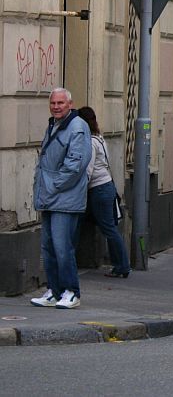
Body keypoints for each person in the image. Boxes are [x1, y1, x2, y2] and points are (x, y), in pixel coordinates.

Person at [31, 88, 92, 309]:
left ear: (70, 104)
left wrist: (53, 186)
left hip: (64, 198)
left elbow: (75, 165)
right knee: (48, 247)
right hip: (51, 196)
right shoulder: (55, 124)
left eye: (60, 103)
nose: (56, 106)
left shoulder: (77, 126)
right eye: (53, 103)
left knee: (62, 246)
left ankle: (71, 292)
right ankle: (55, 292)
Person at [78, 106, 131, 279]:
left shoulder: (91, 143)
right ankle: (121, 265)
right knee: (109, 228)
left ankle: (122, 266)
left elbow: (88, 168)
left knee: (109, 229)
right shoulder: (99, 138)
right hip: (106, 186)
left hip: (98, 189)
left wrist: (79, 189)